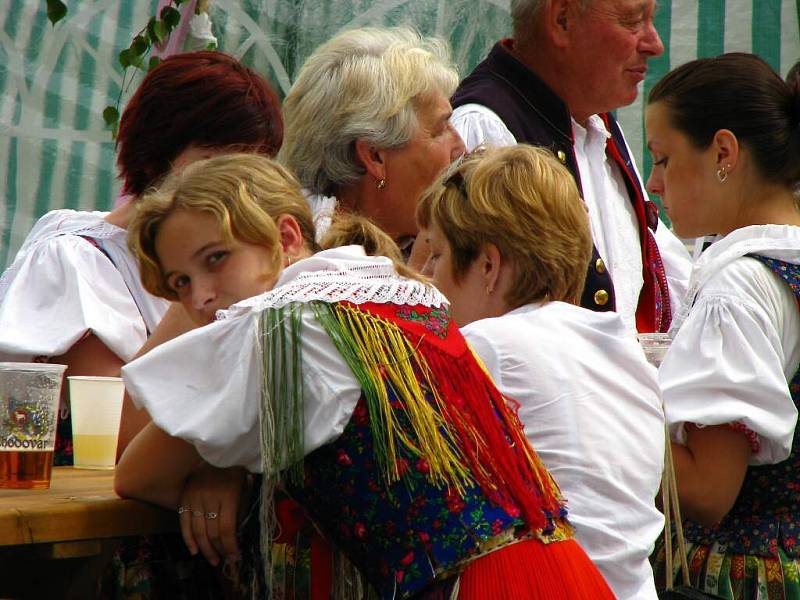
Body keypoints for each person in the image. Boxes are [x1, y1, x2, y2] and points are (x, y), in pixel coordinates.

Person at [116, 152, 615, 599]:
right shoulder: (392, 293)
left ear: (287, 238)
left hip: (475, 586)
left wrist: (216, 465)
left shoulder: (286, 324)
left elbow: (137, 475)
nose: (200, 296)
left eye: (216, 259)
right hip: (562, 570)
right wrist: (222, 461)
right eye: (180, 282)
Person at [0, 50, 283, 466]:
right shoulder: (75, 258)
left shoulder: (238, 261)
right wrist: (200, 290)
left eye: (250, 172)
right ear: (157, 154)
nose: (231, 188)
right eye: (213, 164)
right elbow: (112, 438)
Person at [417, 144, 665, 599]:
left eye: (437, 255)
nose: (426, 277)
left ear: (488, 266)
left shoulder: (487, 347)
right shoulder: (623, 351)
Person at [645, 53, 800, 597]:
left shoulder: (738, 288)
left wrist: (607, 404)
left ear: (724, 153)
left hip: (738, 574)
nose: (653, 182)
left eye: (662, 159)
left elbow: (709, 490)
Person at [450, 0, 691, 335]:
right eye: (633, 21)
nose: (654, 44)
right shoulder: (483, 128)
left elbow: (665, 269)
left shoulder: (598, 124)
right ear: (561, 20)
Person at [278, 27, 465, 261]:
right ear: (374, 156)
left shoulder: (439, 241)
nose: (461, 146)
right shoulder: (293, 261)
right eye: (440, 130)